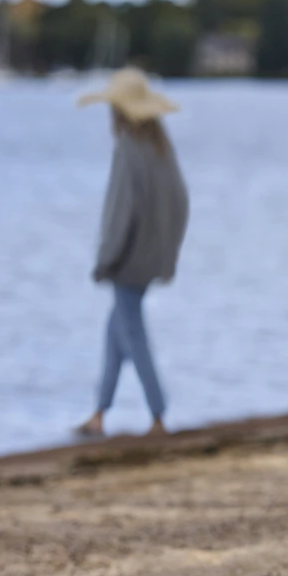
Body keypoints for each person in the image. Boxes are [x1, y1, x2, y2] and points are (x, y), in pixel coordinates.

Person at [75, 68, 189, 438]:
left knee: (133, 336)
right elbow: (181, 204)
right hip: (152, 260)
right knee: (116, 333)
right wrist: (168, 257)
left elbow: (120, 214)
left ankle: (157, 414)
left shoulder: (128, 149)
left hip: (126, 263)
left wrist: (105, 260)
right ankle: (99, 414)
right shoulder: (162, 149)